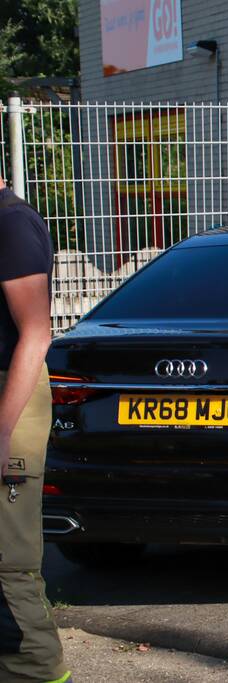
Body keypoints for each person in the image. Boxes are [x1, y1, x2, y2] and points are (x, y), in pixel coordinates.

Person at [0, 178, 71, 683]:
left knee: (7, 559)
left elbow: (36, 334)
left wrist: (2, 435)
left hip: (11, 398)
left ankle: (34, 672)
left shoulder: (10, 224)